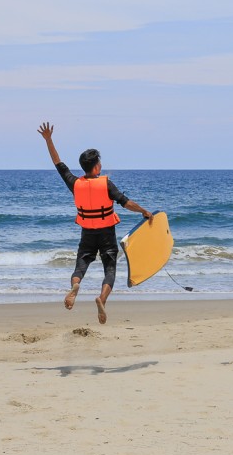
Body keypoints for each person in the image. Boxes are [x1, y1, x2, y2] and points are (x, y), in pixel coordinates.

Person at [38, 122, 153, 324]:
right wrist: (144, 211)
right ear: (97, 166)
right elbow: (126, 203)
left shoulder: (74, 183)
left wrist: (48, 139)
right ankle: (102, 299)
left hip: (87, 233)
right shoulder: (106, 184)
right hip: (107, 233)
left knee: (81, 264)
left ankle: (76, 286)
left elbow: (58, 162)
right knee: (110, 269)